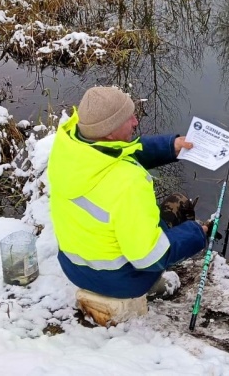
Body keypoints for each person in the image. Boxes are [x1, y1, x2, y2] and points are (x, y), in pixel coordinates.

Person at [47, 86, 207, 300]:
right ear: (110, 132)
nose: (135, 122)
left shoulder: (68, 150)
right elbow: (149, 258)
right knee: (178, 204)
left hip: (74, 269)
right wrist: (196, 233)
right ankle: (156, 285)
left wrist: (171, 146)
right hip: (122, 281)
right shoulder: (127, 182)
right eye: (129, 118)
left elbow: (121, 152)